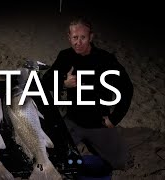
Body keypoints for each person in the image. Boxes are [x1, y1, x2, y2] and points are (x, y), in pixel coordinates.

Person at [42, 17, 134, 171]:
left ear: (91, 37)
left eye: (83, 37)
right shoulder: (65, 56)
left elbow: (127, 88)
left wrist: (114, 118)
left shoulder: (106, 59)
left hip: (99, 124)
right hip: (72, 122)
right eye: (75, 38)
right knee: (50, 157)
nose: (78, 42)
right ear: (69, 38)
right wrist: (63, 83)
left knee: (121, 162)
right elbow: (45, 82)